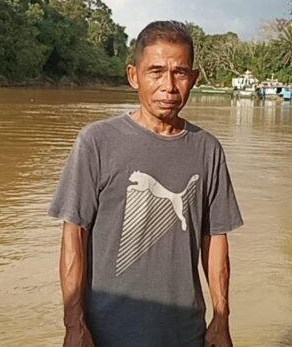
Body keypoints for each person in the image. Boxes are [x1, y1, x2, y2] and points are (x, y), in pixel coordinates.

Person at [48, 21, 244, 347]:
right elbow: (73, 236)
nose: (169, 86)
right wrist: (73, 323)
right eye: (155, 72)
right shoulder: (97, 142)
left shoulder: (207, 149)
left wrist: (221, 318)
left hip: (185, 334)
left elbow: (215, 240)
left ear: (194, 78)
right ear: (133, 76)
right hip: (105, 334)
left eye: (180, 73)